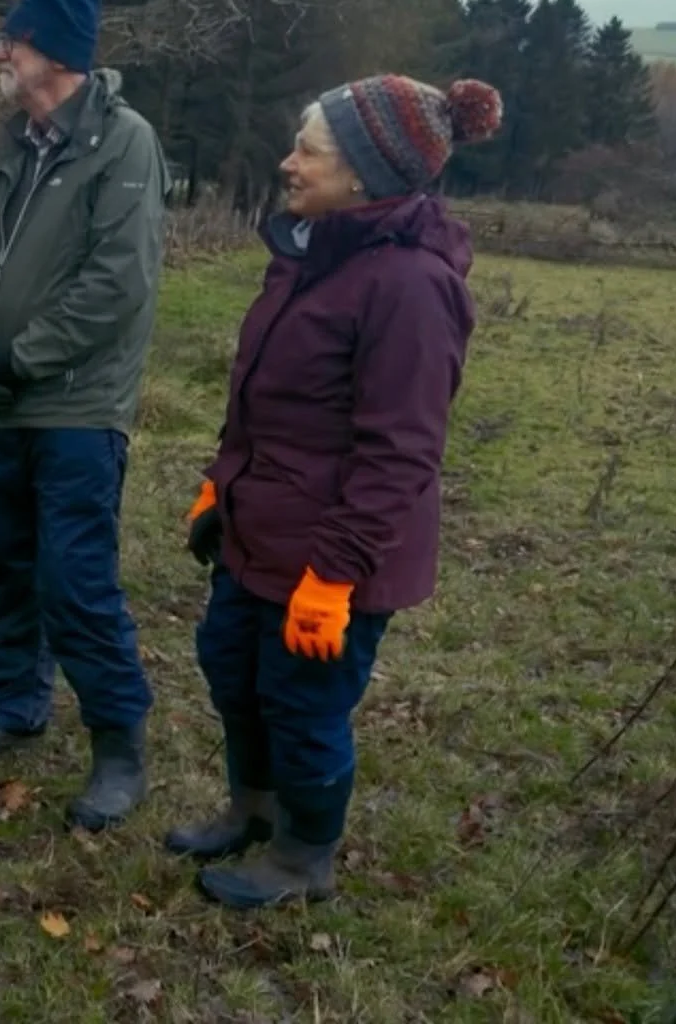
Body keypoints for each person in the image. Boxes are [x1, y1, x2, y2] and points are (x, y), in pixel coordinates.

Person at [169, 74, 500, 908]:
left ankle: (302, 858)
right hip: (260, 527)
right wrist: (221, 484)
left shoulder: (411, 289)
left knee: (302, 703)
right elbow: (261, 399)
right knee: (231, 669)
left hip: (330, 556)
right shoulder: (309, 255)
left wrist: (335, 578)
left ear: (362, 173)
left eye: (307, 150)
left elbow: (401, 455)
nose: (288, 162)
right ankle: (254, 809)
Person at [0, 0, 170, 832]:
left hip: (73, 408)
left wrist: (21, 360)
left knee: (76, 582)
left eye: (14, 41)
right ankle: (14, 704)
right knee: (7, 565)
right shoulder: (12, 145)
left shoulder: (124, 143)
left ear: (57, 55)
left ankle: (118, 747)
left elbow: (118, 284)